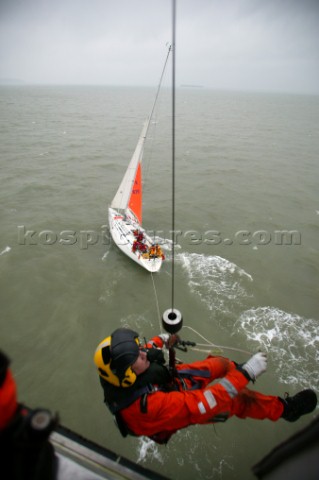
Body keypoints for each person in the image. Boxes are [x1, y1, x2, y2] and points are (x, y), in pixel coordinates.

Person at [93, 328, 317, 444]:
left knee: (218, 364)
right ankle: (286, 410)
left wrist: (162, 339)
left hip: (167, 385)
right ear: (128, 375)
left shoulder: (118, 369)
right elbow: (204, 403)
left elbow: (144, 349)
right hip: (177, 406)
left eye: (140, 349)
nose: (144, 353)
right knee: (237, 400)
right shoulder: (147, 408)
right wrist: (246, 374)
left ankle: (237, 371)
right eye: (139, 357)